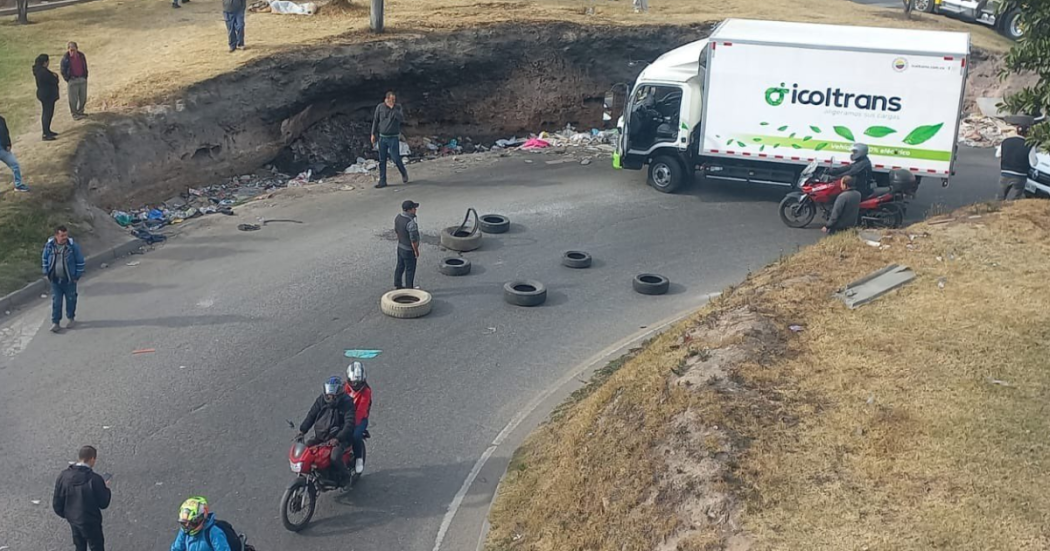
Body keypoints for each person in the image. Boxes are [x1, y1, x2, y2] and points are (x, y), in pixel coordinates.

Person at [298, 376, 355, 487]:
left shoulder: (347, 403)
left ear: (338, 395)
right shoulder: (321, 400)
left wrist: (338, 438)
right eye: (328, 395)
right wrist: (302, 430)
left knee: (334, 457)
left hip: (339, 438)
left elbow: (349, 424)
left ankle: (345, 477)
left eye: (333, 396)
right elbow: (311, 415)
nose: (330, 398)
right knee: (305, 450)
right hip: (322, 436)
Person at [53, 445, 112, 551]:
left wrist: (68, 515)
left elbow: (57, 503)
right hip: (91, 521)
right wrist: (105, 488)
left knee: (79, 546)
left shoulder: (63, 476)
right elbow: (104, 503)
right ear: (92, 459)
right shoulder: (95, 479)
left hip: (74, 520)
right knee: (96, 547)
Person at [42, 225, 86, 333]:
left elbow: (80, 261)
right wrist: (46, 273)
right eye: (62, 235)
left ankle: (71, 318)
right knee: (56, 301)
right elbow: (44, 259)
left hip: (69, 280)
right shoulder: (49, 246)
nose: (64, 237)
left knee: (71, 299)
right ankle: (55, 323)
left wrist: (76, 276)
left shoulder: (73, 247)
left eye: (66, 235)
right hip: (55, 280)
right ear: (56, 235)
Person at [371, 91, 409, 188]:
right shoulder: (380, 107)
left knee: (395, 158)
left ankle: (403, 172)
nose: (393, 101)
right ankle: (382, 181)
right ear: (386, 99)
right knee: (382, 160)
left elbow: (401, 118)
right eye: (391, 99)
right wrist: (373, 134)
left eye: (394, 100)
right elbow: (376, 120)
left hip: (393, 137)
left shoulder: (398, 107)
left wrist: (393, 109)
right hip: (382, 137)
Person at [996, 122, 1038, 201]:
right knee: (1014, 200)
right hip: (1020, 176)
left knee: (1000, 198)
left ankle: (997, 211)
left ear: (1016, 131)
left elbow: (998, 154)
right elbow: (1033, 163)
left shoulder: (1006, 141)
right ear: (1028, 134)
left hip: (1005, 173)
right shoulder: (1029, 145)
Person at [344, 361, 373, 475]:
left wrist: (350, 425)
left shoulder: (366, 391)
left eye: (359, 383)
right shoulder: (344, 388)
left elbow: (361, 410)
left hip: (359, 420)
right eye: (353, 383)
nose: (356, 386)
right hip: (346, 416)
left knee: (355, 436)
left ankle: (358, 459)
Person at [33, 54, 60, 141]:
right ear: (45, 62)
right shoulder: (43, 72)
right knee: (47, 113)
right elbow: (54, 80)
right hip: (47, 95)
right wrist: (55, 76)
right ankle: (45, 133)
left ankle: (47, 130)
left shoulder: (39, 71)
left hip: (44, 94)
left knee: (48, 113)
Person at [394, 200, 420, 290]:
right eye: (414, 208)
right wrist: (416, 251)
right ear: (409, 210)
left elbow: (397, 231)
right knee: (410, 270)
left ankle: (397, 284)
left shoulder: (398, 218)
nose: (415, 210)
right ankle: (409, 288)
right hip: (409, 250)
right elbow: (413, 240)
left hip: (400, 247)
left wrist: (401, 241)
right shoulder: (411, 223)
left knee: (400, 266)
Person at [60, 42, 89, 120]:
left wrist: (85, 76)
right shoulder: (65, 58)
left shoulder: (81, 56)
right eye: (70, 49)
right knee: (73, 99)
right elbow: (63, 70)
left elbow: (84, 66)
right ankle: (74, 114)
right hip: (73, 80)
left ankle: (81, 112)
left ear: (77, 48)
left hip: (82, 79)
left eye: (73, 49)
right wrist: (68, 79)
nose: (72, 51)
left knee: (83, 97)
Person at [0, 113, 27, 192]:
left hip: (2, 149)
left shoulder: (1, 120)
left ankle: (18, 185)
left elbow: (5, 133)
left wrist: (8, 144)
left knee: (15, 165)